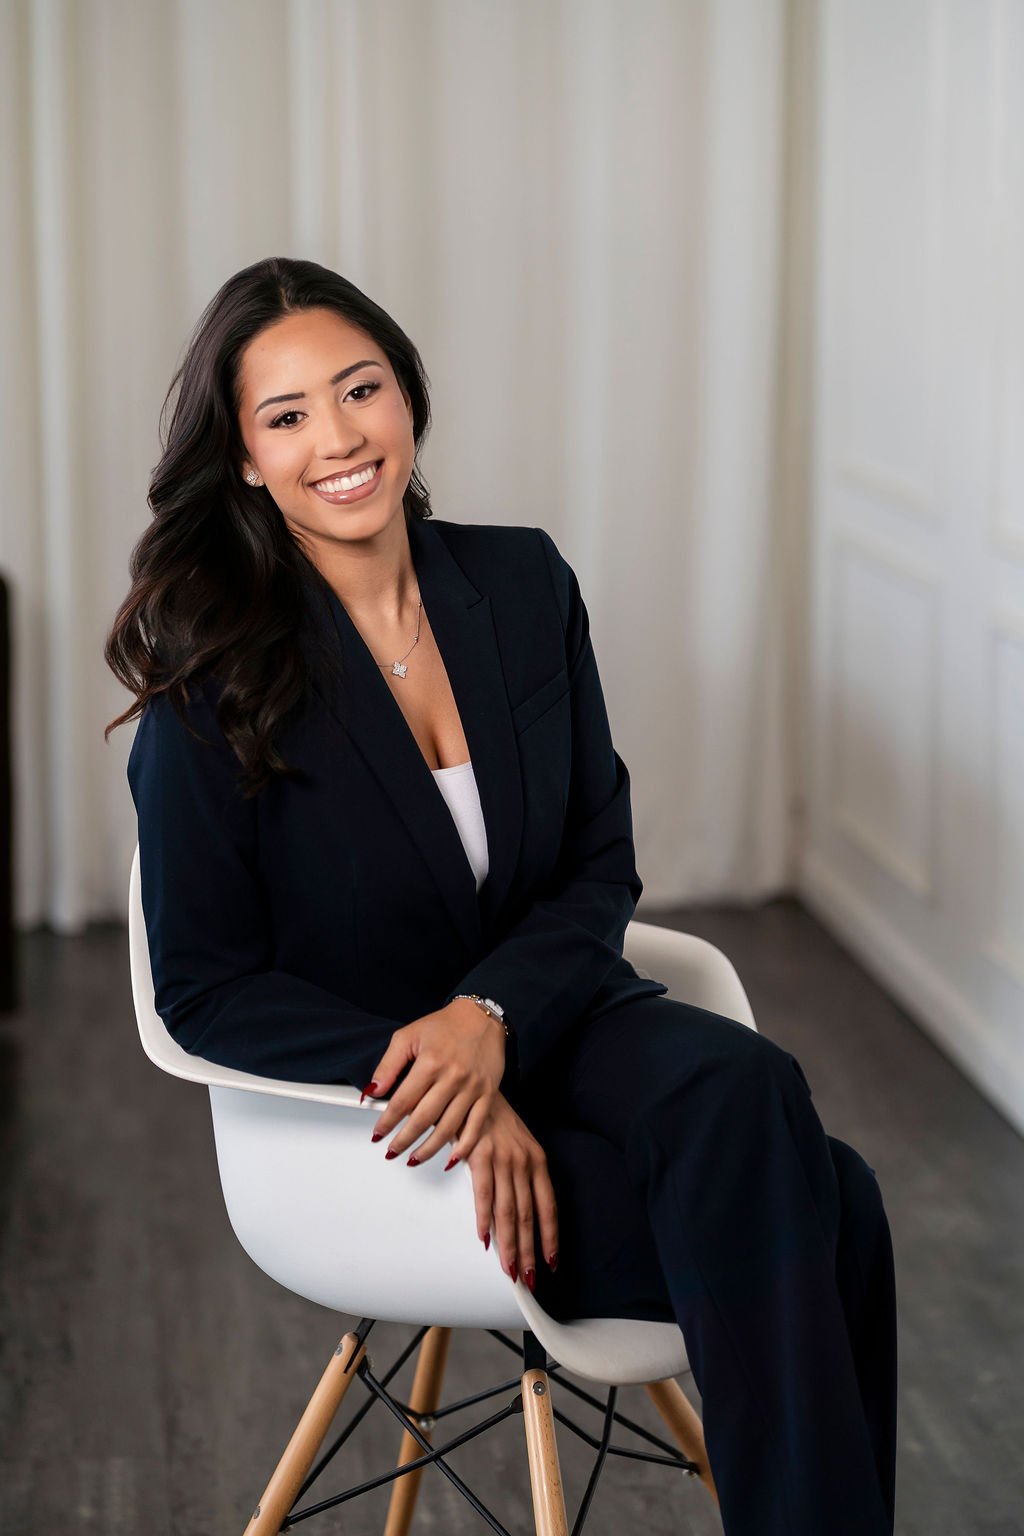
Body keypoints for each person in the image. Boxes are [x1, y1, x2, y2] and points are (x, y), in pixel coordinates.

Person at [105, 256, 898, 1535]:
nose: (339, 438)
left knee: (750, 1087)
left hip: (553, 1011)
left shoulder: (522, 584)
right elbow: (200, 990)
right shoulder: (211, 673)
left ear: (406, 398)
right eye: (289, 415)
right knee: (836, 1207)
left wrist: (491, 1018)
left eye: (360, 390)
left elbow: (598, 863)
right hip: (381, 1121)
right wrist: (448, 1085)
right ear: (245, 459)